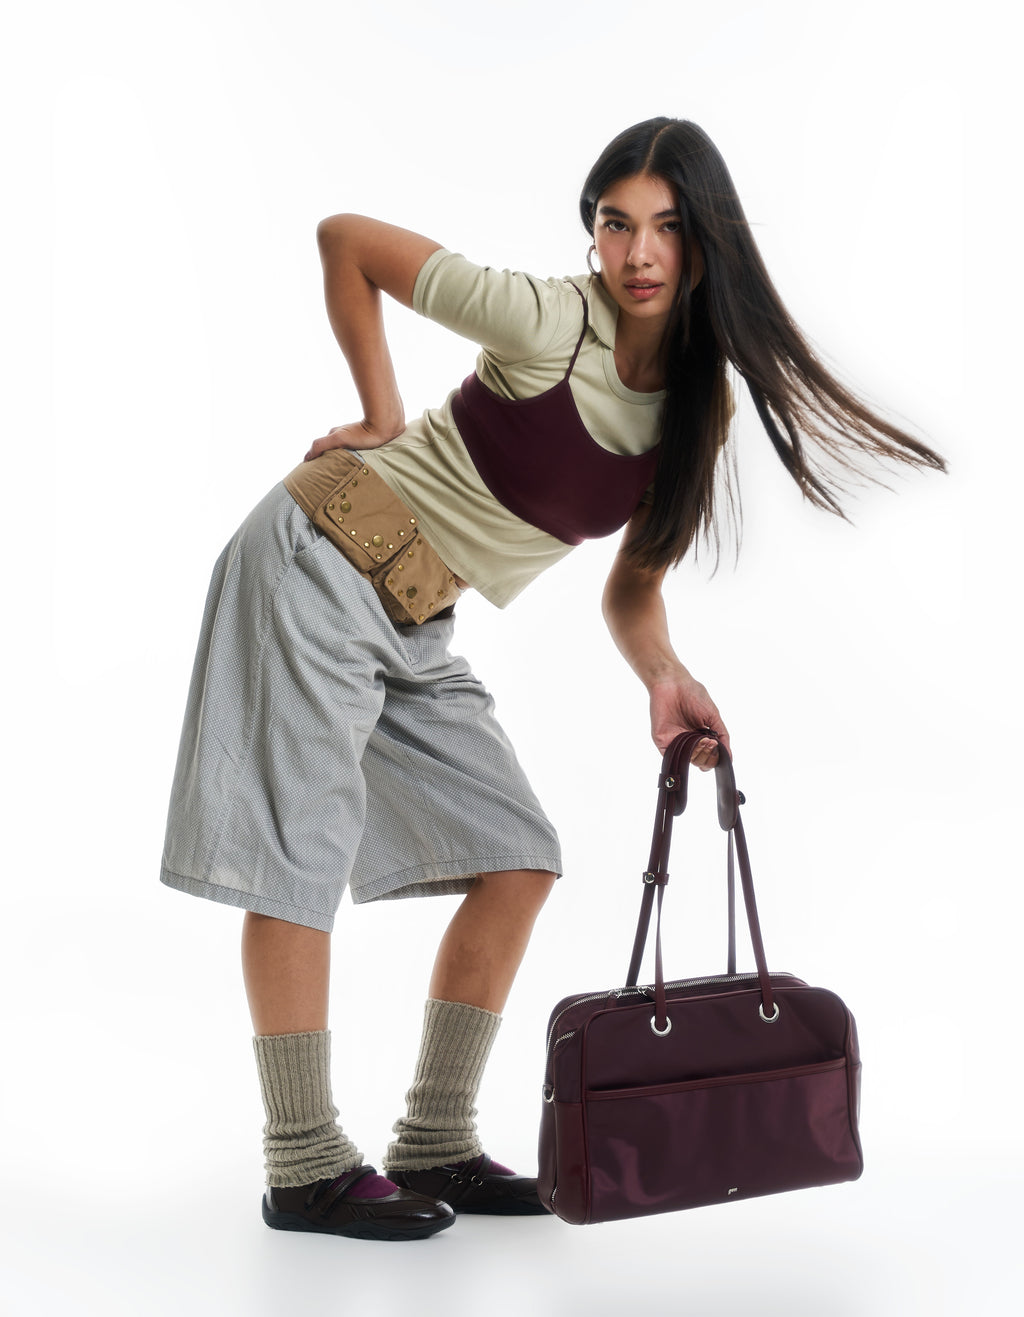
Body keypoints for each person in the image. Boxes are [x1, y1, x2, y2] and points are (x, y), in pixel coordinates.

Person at [159, 117, 944, 1242]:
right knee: (298, 857)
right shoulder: (548, 320)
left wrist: (662, 677)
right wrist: (384, 414)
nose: (636, 253)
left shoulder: (696, 410)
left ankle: (433, 1137)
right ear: (590, 234)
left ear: (705, 243)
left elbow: (631, 589)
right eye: (614, 224)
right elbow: (348, 239)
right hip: (317, 558)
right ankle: (302, 1164)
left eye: (665, 228)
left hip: (417, 618)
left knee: (516, 857)